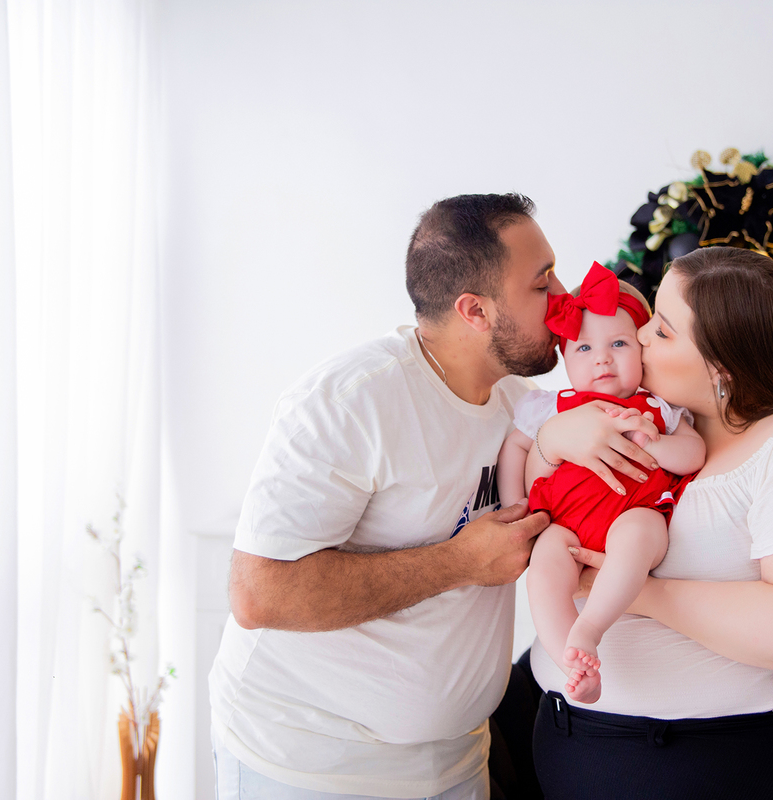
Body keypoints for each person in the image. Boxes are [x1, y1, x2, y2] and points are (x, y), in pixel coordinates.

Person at [207, 194, 656, 800]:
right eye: (542, 281)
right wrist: (461, 563)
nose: (565, 298)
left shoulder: (519, 403)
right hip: (310, 767)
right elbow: (260, 593)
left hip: (457, 760)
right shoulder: (351, 401)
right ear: (474, 310)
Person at [529, 247, 773, 799]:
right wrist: (552, 441)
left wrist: (639, 594)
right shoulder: (640, 420)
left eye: (663, 331)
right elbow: (535, 504)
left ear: (722, 367)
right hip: (580, 748)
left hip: (738, 766)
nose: (640, 336)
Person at [496, 263, 705, 705]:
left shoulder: (659, 406)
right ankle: (567, 655)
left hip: (635, 512)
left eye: (618, 343)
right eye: (584, 347)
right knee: (545, 569)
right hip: (565, 522)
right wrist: (517, 511)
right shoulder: (550, 406)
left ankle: (589, 628)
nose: (601, 358)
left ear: (642, 347)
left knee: (639, 534)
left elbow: (694, 454)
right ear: (564, 357)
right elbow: (515, 449)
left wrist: (655, 442)